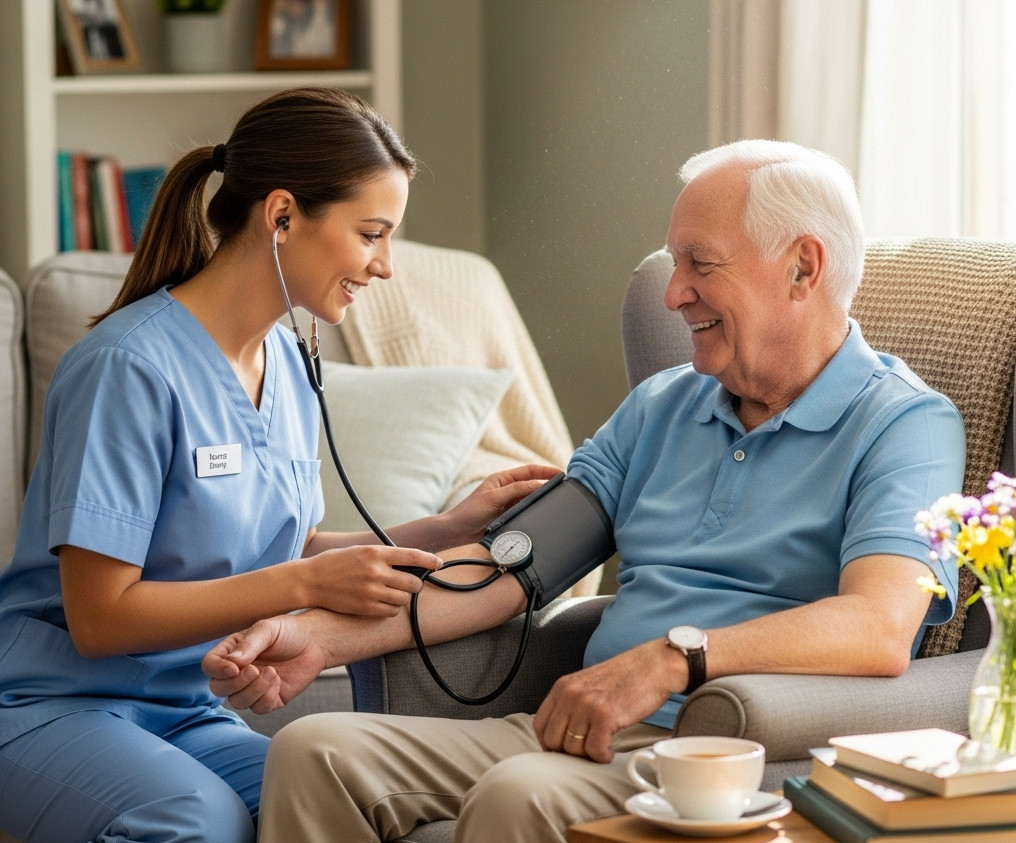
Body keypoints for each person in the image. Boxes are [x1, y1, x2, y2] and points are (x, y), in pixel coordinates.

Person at [203, 139, 967, 843]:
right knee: (313, 749)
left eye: (701, 264)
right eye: (675, 266)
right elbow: (504, 569)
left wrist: (673, 659)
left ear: (803, 267)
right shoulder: (663, 406)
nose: (675, 295)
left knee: (519, 792)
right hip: (576, 730)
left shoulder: (905, 424)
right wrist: (323, 638)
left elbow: (878, 625)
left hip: (721, 753)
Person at [0, 87, 555, 843]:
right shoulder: (127, 367)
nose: (386, 266)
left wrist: (446, 526)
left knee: (343, 797)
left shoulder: (286, 366)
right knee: (198, 819)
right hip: (49, 706)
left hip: (186, 711)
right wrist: (301, 585)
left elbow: (287, 547)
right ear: (283, 214)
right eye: (372, 234)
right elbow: (100, 616)